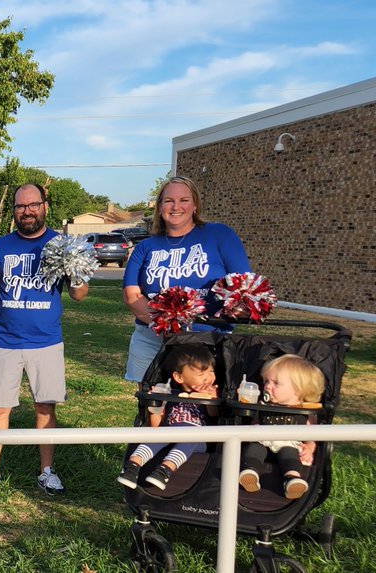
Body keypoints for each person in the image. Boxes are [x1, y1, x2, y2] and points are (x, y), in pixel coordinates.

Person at [0, 183, 88, 495]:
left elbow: (79, 295)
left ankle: (47, 471)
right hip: (5, 341)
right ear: (14, 212)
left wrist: (75, 272)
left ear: (45, 205)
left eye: (33, 204)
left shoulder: (62, 245)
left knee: (45, 408)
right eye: (20, 207)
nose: (27, 211)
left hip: (46, 342)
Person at [122, 176, 250, 386]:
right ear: (160, 207)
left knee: (202, 404)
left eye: (184, 200)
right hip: (152, 338)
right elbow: (131, 295)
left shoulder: (219, 234)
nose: (176, 207)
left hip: (208, 338)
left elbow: (243, 285)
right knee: (153, 405)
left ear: (195, 205)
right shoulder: (145, 246)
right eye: (168, 200)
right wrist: (168, 324)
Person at [117, 345, 218, 491]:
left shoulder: (213, 393)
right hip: (170, 431)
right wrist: (155, 408)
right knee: (158, 436)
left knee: (191, 437)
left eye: (212, 371)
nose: (209, 378)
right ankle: (132, 467)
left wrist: (212, 399)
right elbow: (155, 425)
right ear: (179, 377)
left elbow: (214, 414)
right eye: (202, 374)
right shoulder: (171, 395)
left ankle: (165, 470)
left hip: (198, 439)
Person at [239, 354, 325, 500]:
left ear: (298, 390)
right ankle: (249, 473)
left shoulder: (305, 410)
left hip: (288, 443)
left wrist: (310, 448)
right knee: (254, 449)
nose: (267, 386)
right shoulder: (263, 405)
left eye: (276, 383)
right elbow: (254, 423)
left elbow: (313, 434)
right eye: (266, 381)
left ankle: (291, 480)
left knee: (290, 455)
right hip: (262, 441)